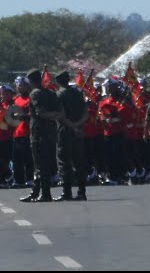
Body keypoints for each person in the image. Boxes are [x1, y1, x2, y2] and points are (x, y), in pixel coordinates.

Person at [21, 69, 63, 203]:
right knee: (43, 164)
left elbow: (40, 113)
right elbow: (59, 110)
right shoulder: (50, 93)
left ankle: (45, 194)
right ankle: (35, 192)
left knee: (40, 165)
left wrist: (50, 116)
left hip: (39, 133)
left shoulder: (35, 93)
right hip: (51, 132)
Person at [55, 70, 88, 201]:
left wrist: (71, 125)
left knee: (64, 162)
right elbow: (86, 112)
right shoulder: (78, 93)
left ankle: (66, 192)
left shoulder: (58, 95)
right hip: (78, 130)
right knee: (79, 161)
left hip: (64, 131)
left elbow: (60, 114)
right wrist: (77, 126)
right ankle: (81, 191)